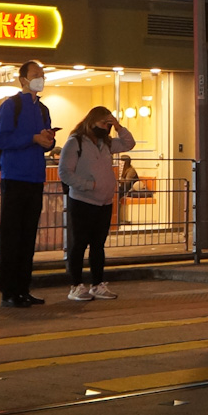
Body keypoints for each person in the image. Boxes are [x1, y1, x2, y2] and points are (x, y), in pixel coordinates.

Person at [58, 107, 135, 302]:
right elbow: (65, 172)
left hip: (104, 201)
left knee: (98, 245)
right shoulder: (75, 142)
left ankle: (97, 284)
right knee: (79, 244)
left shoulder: (106, 143)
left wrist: (118, 126)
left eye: (108, 125)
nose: (106, 128)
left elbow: (128, 143)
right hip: (82, 200)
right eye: (103, 124)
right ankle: (76, 285)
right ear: (91, 122)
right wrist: (88, 185)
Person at [0, 60, 55, 309]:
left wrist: (48, 141)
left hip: (35, 177)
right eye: (35, 75)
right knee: (12, 237)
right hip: (14, 177)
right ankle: (9, 291)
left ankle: (24, 288)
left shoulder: (43, 109)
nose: (40, 78)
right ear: (22, 80)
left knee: (28, 236)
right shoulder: (11, 105)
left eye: (42, 74)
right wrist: (32, 138)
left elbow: (48, 141)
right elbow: (1, 139)